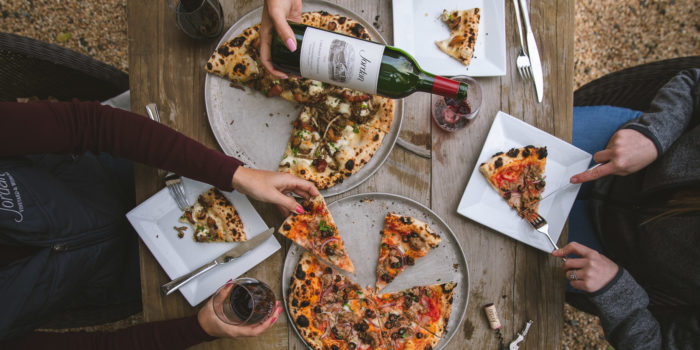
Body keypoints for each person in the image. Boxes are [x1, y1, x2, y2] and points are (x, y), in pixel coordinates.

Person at [0, 99, 319, 348]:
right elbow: (99, 346)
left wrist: (237, 175)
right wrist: (199, 328)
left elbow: (91, 124)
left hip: (140, 166)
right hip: (140, 281)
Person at [552, 68, 700, 349]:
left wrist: (618, 294)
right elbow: (694, 82)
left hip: (604, 253)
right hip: (617, 144)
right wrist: (653, 134)